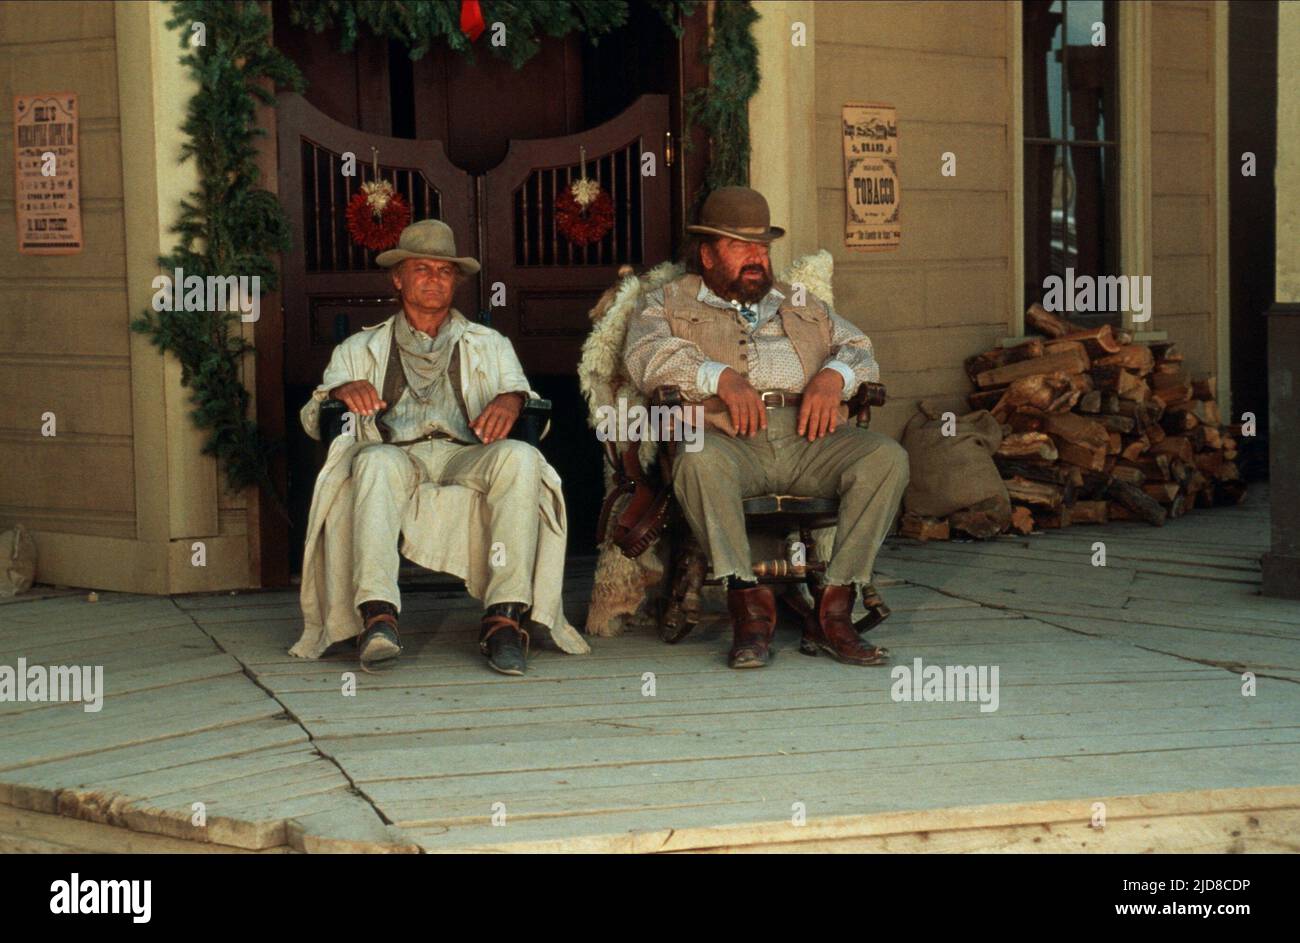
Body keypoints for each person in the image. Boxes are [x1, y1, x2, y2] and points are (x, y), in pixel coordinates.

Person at [623, 187, 908, 669]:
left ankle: (835, 608)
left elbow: (860, 347)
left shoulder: (801, 300)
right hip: (728, 442)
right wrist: (720, 377)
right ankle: (750, 607)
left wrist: (832, 377)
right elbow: (645, 357)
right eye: (741, 247)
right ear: (708, 253)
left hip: (810, 438)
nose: (757, 258)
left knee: (885, 457)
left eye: (763, 247)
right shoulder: (665, 302)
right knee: (695, 461)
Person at [291, 219, 588, 674]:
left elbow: (531, 409)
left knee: (523, 457)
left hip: (464, 453)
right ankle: (378, 618)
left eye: (444, 271)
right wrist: (338, 393)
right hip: (396, 454)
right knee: (371, 462)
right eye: (421, 269)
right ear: (398, 278)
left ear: (456, 282)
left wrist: (512, 399)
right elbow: (314, 420)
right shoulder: (360, 347)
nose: (433, 279)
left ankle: (503, 620)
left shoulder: (488, 343)